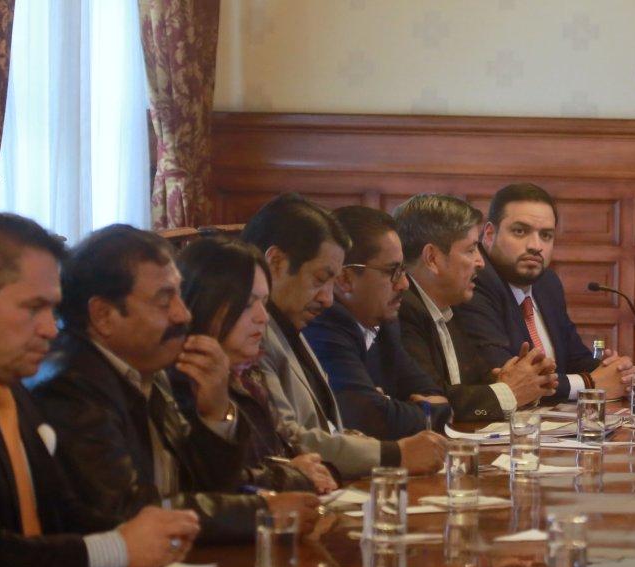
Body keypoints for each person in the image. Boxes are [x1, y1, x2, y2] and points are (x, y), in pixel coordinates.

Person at [0, 212, 199, 567]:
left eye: (52, 309)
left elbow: (65, 512)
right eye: (34, 308)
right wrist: (116, 549)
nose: (51, 329)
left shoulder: (7, 383)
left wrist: (149, 531)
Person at [28, 225, 319, 543]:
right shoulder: (72, 386)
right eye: (165, 300)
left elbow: (200, 484)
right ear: (103, 315)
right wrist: (261, 512)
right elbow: (127, 512)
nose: (183, 315)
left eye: (179, 294)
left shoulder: (151, 370)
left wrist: (216, 413)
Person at [240, 194, 445, 478]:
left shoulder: (288, 323)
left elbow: (328, 426)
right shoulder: (250, 337)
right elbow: (286, 438)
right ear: (275, 262)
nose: (327, 299)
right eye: (320, 279)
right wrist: (394, 454)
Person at [175, 236, 337, 493]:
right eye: (248, 304)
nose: (263, 318)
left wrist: (308, 469)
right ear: (205, 302)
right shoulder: (183, 379)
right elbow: (219, 483)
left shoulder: (248, 374)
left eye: (264, 303)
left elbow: (276, 455)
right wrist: (293, 476)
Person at [456, 182, 635, 401]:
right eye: (520, 231)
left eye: (546, 235)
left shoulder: (547, 283)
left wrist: (614, 371)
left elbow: (575, 357)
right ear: (490, 234)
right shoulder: (474, 282)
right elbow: (510, 378)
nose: (535, 245)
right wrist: (591, 383)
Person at [393, 194, 557, 422]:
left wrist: (526, 379)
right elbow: (432, 402)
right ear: (432, 258)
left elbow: (475, 385)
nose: (480, 262)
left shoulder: (452, 308)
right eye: (470, 250)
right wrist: (509, 392)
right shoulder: (401, 311)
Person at [304, 207, 451, 440]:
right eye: (392, 271)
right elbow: (367, 418)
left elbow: (437, 396)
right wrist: (422, 411)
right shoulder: (326, 324)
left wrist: (390, 405)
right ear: (345, 279)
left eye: (403, 270)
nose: (403, 284)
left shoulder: (384, 324)